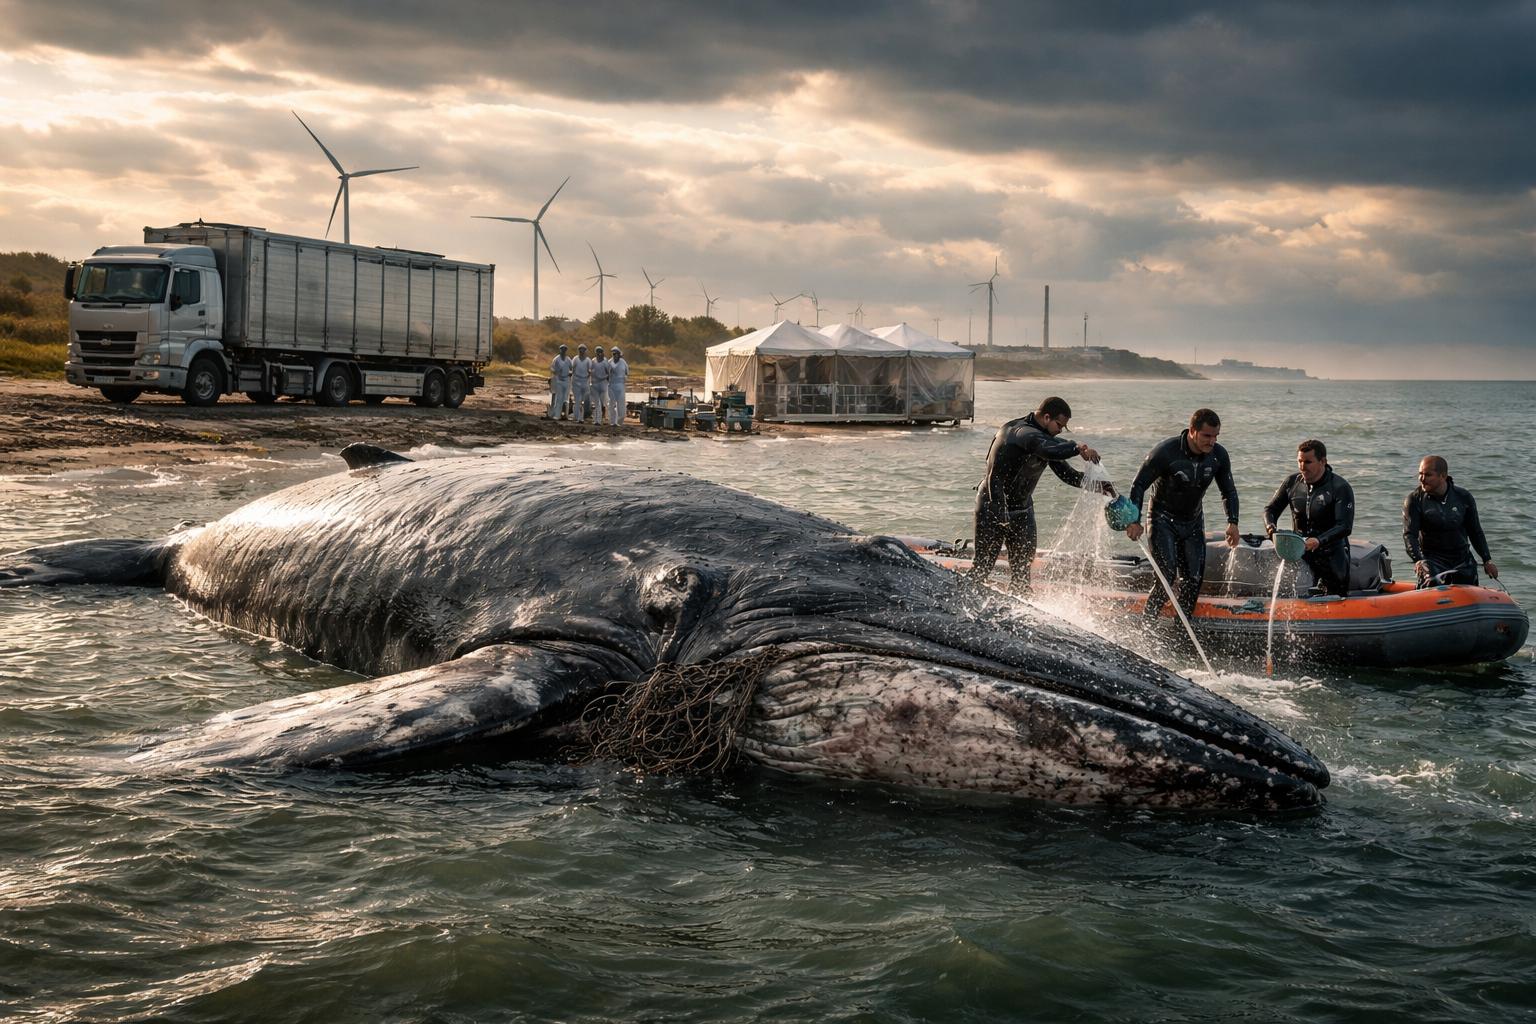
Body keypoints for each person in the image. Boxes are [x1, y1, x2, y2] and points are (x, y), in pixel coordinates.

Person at [966, 396, 1100, 594]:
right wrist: (1077, 448)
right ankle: (961, 605)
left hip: (1023, 510)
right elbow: (1044, 446)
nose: (1060, 430)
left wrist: (1098, 485)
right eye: (1059, 425)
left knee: (1022, 573)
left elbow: (1067, 474)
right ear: (1046, 417)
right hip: (993, 506)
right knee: (982, 567)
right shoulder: (1018, 432)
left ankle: (1017, 615)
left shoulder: (1045, 439)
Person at [1125, 408, 1239, 619]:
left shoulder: (1219, 455)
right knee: (1167, 576)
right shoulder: (1166, 452)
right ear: (1192, 431)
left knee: (1193, 579)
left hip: (1193, 520)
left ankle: (1181, 630)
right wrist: (1134, 520)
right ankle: (1147, 622)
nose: (1212, 441)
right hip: (1162, 519)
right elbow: (1138, 484)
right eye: (1207, 436)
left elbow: (1228, 491)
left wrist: (1233, 522)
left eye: (1216, 436)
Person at [1263, 439, 1355, 596]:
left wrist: (1318, 540)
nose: (1302, 467)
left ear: (1323, 461)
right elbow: (1270, 509)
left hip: (1331, 553)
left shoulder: (1339, 487)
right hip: (1299, 552)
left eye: (1308, 462)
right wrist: (1271, 530)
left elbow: (1344, 526)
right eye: (1299, 461)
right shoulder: (1292, 482)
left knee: (1336, 593)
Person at [1403, 455, 1498, 587]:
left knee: (1469, 584)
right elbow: (1410, 535)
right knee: (1432, 581)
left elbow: (1475, 531)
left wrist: (1487, 560)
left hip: (1462, 559)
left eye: (1428, 475)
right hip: (1432, 560)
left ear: (1443, 476)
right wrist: (1419, 560)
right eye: (1420, 474)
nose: (1422, 479)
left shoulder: (1463, 497)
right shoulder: (1415, 500)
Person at [548, 344, 572, 420]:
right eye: (562, 349)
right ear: (560, 350)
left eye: (565, 349)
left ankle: (565, 415)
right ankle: (557, 415)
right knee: (559, 398)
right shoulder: (556, 359)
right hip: (559, 380)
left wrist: (570, 373)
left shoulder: (568, 359)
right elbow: (552, 368)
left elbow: (572, 368)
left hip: (567, 380)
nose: (563, 351)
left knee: (566, 399)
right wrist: (556, 372)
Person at [570, 344, 592, 423]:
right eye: (580, 350)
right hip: (576, 381)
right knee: (577, 400)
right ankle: (577, 417)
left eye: (583, 350)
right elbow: (572, 368)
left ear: (585, 351)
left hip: (585, 382)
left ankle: (580, 416)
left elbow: (590, 371)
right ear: (578, 351)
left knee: (583, 400)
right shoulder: (575, 359)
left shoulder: (588, 360)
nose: (582, 352)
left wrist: (588, 375)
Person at [608, 346, 629, 426]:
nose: (614, 355)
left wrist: (624, 378)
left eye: (616, 354)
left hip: (620, 384)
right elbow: (607, 373)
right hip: (612, 384)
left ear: (619, 354)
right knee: (612, 403)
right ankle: (613, 421)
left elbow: (627, 372)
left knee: (621, 403)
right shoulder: (609, 362)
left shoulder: (623, 362)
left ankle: (620, 420)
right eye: (613, 354)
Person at [591, 346, 610, 424]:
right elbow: (590, 371)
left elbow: (609, 373)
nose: (599, 354)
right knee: (597, 403)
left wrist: (608, 382)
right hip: (595, 384)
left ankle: (605, 418)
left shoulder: (605, 362)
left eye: (601, 352)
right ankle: (597, 420)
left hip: (603, 384)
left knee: (603, 402)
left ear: (603, 353)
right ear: (595, 353)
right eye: (598, 352)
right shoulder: (593, 361)